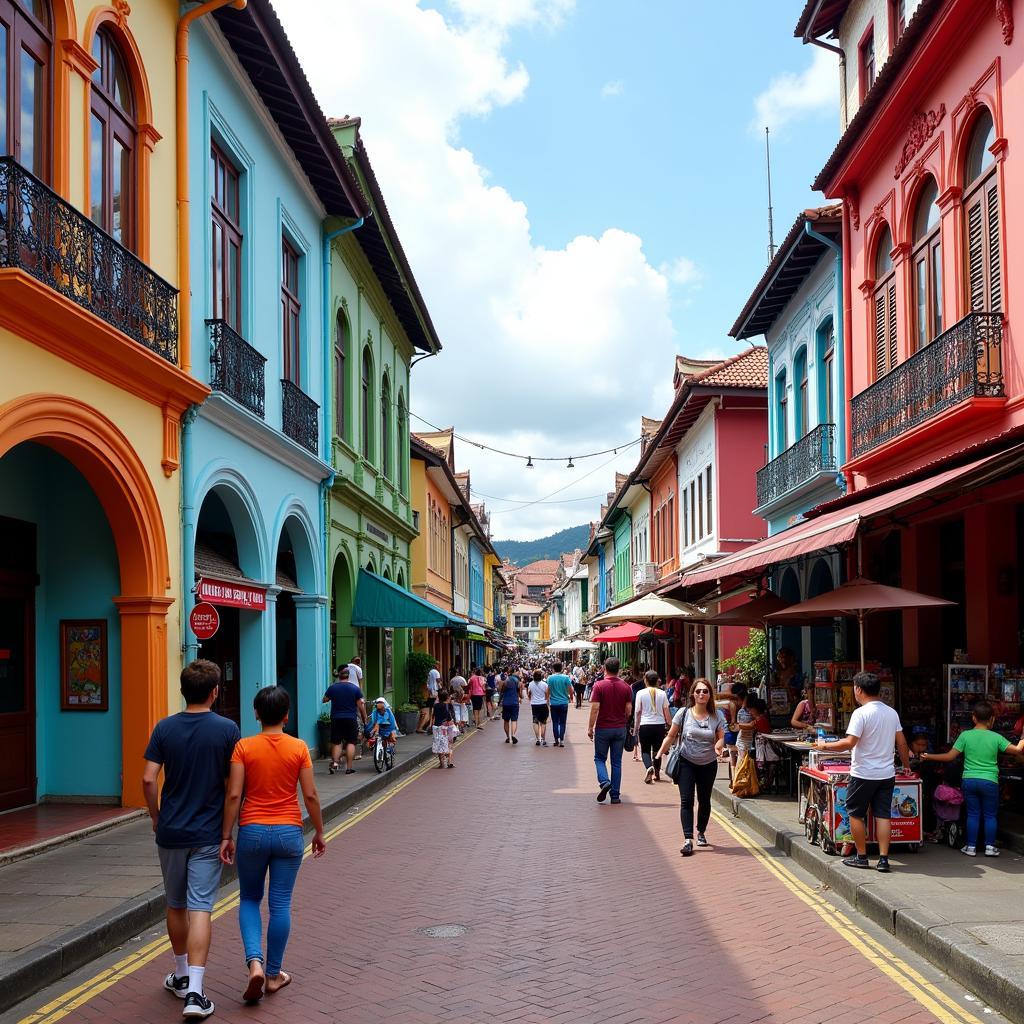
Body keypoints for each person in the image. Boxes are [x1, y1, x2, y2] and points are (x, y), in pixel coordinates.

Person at [142, 660, 240, 1019]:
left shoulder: (164, 728)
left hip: (171, 831)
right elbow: (233, 789)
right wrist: (228, 833)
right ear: (215, 691)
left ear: (183, 690)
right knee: (201, 907)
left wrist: (156, 816)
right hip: (207, 833)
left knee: (176, 904)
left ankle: (181, 976)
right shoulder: (227, 729)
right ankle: (196, 993)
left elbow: (149, 779)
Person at [220, 686, 325, 1005]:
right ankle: (274, 974)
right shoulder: (299, 747)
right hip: (288, 833)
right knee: (280, 904)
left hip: (251, 831)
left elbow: (234, 795)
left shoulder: (243, 747)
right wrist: (319, 831)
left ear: (255, 713)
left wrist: (226, 835)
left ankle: (255, 962)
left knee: (250, 898)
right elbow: (310, 795)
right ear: (287, 715)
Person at [815, 671, 911, 872]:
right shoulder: (891, 713)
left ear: (858, 690)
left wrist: (824, 746)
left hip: (863, 774)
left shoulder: (861, 713)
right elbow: (901, 742)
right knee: (883, 815)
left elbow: (849, 743)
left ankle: (862, 856)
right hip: (887, 773)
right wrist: (906, 766)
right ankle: (884, 859)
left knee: (855, 813)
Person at [922, 701, 1024, 856]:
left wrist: (929, 756)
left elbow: (950, 756)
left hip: (969, 780)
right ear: (992, 719)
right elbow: (1017, 750)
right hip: (990, 781)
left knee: (973, 814)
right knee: (990, 815)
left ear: (974, 718)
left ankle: (970, 847)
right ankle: (990, 847)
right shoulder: (996, 737)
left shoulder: (965, 735)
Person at [657, 678, 726, 856]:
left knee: (704, 801)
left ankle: (701, 831)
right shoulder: (683, 713)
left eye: (705, 691)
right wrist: (659, 754)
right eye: (698, 691)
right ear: (693, 694)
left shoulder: (717, 715)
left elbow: (720, 737)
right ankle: (688, 839)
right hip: (686, 761)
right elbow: (671, 735)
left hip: (708, 764)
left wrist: (718, 746)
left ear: (710, 695)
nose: (701, 694)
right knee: (686, 801)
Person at [588, 658, 633, 804]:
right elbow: (628, 710)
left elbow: (595, 708)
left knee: (600, 758)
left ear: (604, 668)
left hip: (603, 728)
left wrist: (590, 727)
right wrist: (623, 719)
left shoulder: (599, 685)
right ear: (618, 669)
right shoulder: (626, 687)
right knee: (616, 762)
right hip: (620, 728)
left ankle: (604, 781)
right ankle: (615, 795)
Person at [321, 669, 366, 775]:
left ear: (339, 676)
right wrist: (364, 718)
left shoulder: (333, 688)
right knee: (351, 742)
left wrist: (331, 697)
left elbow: (325, 700)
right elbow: (361, 705)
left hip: (336, 718)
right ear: (348, 677)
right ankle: (349, 768)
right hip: (350, 718)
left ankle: (335, 763)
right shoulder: (355, 689)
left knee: (336, 742)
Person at [634, 669, 672, 783]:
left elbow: (638, 712)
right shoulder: (662, 693)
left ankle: (648, 767)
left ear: (645, 680)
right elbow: (666, 710)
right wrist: (670, 724)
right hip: (659, 726)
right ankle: (656, 773)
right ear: (657, 681)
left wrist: (636, 728)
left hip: (645, 725)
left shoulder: (640, 693)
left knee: (645, 750)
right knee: (657, 750)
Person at [546, 662, 574, 747]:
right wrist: (571, 697)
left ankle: (556, 740)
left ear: (553, 669)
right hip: (563, 703)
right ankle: (561, 740)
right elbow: (570, 689)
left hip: (553, 703)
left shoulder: (550, 678)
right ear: (561, 668)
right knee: (562, 722)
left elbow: (548, 690)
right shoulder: (566, 678)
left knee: (555, 722)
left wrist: (547, 700)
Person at [431, 689, 457, 768]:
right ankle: (448, 762)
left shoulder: (435, 705)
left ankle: (441, 763)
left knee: (439, 744)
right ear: (447, 697)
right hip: (444, 727)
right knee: (447, 743)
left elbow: (434, 715)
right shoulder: (446, 705)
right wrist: (451, 721)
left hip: (436, 726)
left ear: (439, 697)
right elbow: (448, 716)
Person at [416, 663, 442, 734]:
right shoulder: (436, 672)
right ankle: (425, 727)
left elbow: (427, 683)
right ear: (436, 666)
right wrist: (441, 689)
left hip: (430, 692)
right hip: (435, 692)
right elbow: (438, 681)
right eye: (438, 665)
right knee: (431, 712)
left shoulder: (430, 672)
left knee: (430, 710)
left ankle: (426, 726)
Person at [528, 669, 550, 746]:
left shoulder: (530, 684)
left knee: (535, 722)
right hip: (543, 704)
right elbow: (547, 695)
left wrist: (531, 700)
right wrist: (547, 702)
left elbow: (529, 694)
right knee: (543, 723)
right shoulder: (545, 684)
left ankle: (538, 739)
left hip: (534, 705)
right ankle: (543, 739)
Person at [500, 671, 522, 744]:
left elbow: (501, 691)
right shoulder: (518, 682)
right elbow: (520, 694)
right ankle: (513, 735)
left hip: (506, 703)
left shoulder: (505, 681)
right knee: (514, 720)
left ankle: (508, 737)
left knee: (506, 721)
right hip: (515, 703)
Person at [468, 666, 487, 730]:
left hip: (474, 694)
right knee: (479, 709)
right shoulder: (482, 678)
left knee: (475, 709)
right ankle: (479, 723)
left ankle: (476, 723)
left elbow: (469, 685)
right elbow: (484, 686)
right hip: (481, 694)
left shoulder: (472, 678)